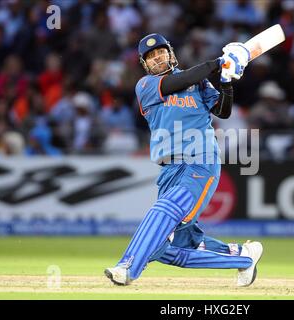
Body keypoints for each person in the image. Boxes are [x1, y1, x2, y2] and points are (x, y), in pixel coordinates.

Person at [104, 34, 263, 287]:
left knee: (163, 210)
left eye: (160, 53)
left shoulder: (198, 83)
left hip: (201, 162)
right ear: (145, 64)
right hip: (170, 170)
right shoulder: (145, 85)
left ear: (170, 53)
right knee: (170, 246)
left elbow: (223, 110)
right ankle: (242, 257)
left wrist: (226, 81)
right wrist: (220, 62)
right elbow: (181, 80)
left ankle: (127, 266)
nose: (156, 59)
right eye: (150, 56)